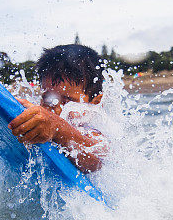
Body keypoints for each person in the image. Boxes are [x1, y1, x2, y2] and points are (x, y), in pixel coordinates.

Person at [8, 44, 106, 173]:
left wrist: (57, 128)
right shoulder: (41, 120)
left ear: (95, 103)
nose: (56, 110)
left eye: (68, 101)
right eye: (49, 99)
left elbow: (97, 161)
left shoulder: (94, 132)